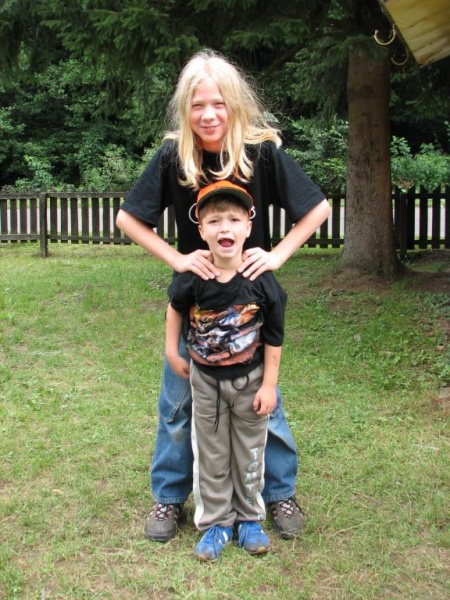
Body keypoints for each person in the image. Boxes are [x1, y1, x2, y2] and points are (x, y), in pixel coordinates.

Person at [116, 48, 331, 542]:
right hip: (194, 311)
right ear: (185, 109)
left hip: (251, 312)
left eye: (218, 103)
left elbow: (316, 208)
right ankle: (169, 499)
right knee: (177, 407)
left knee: (265, 406)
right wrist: (178, 260)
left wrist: (277, 255)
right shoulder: (175, 157)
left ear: (235, 104)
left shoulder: (260, 153)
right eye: (197, 105)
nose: (208, 115)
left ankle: (279, 494)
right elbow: (128, 218)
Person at [166, 181, 287, 561]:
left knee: (250, 452)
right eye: (215, 220)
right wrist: (171, 350)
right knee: (212, 456)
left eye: (234, 220)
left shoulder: (261, 279)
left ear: (248, 227)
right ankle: (216, 523)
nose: (225, 228)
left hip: (251, 383)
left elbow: (274, 336)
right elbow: (175, 308)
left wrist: (269, 385)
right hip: (206, 385)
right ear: (201, 230)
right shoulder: (194, 275)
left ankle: (249, 518)